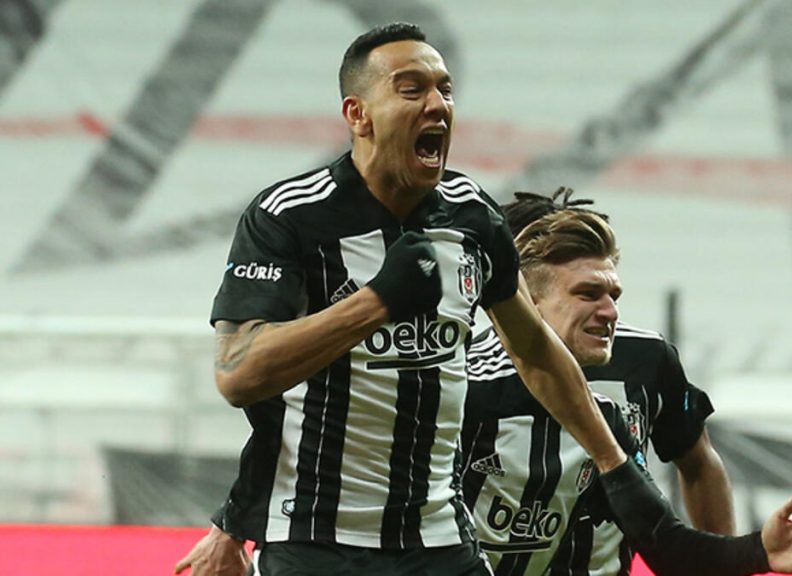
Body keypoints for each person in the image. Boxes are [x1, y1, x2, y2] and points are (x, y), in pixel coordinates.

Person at [176, 22, 659, 576]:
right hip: (315, 539)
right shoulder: (290, 217)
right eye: (411, 90)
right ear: (358, 115)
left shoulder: (472, 216)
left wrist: (615, 465)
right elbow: (238, 373)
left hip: (439, 539)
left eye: (445, 90)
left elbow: (535, 351)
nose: (437, 105)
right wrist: (378, 302)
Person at [461, 199, 792, 575]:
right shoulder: (462, 386)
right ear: (528, 302)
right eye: (587, 294)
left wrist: (752, 551)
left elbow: (668, 537)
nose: (610, 312)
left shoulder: (614, 408)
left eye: (614, 296)